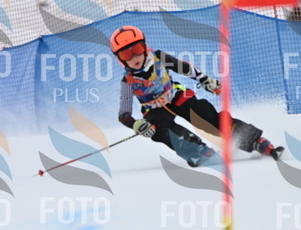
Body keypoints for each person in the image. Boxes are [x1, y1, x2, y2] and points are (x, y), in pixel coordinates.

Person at [110, 25, 283, 166]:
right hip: (154, 110)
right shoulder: (127, 82)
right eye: (126, 54)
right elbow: (123, 115)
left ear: (144, 46)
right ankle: (197, 150)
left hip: (176, 96)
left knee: (204, 113)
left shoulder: (158, 57)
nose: (134, 57)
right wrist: (136, 125)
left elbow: (185, 68)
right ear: (120, 59)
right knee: (160, 130)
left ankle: (254, 140)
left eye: (137, 49)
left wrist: (205, 80)